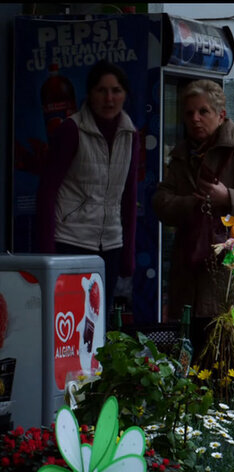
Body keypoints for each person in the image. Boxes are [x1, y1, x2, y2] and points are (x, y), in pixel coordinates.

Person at [153, 79, 234, 348]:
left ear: (221, 115)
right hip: (189, 275)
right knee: (193, 356)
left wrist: (228, 198)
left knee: (227, 358)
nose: (195, 119)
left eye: (203, 112)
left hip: (231, 275)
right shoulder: (182, 155)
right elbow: (161, 203)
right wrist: (190, 203)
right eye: (189, 113)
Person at [35, 60, 140, 320]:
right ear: (90, 94)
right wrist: (46, 251)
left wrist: (128, 253)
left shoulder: (130, 134)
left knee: (98, 321)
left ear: (125, 95)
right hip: (71, 240)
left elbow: (129, 196)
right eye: (101, 90)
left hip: (110, 244)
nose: (109, 98)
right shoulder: (71, 130)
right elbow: (47, 191)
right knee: (68, 318)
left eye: (116, 91)